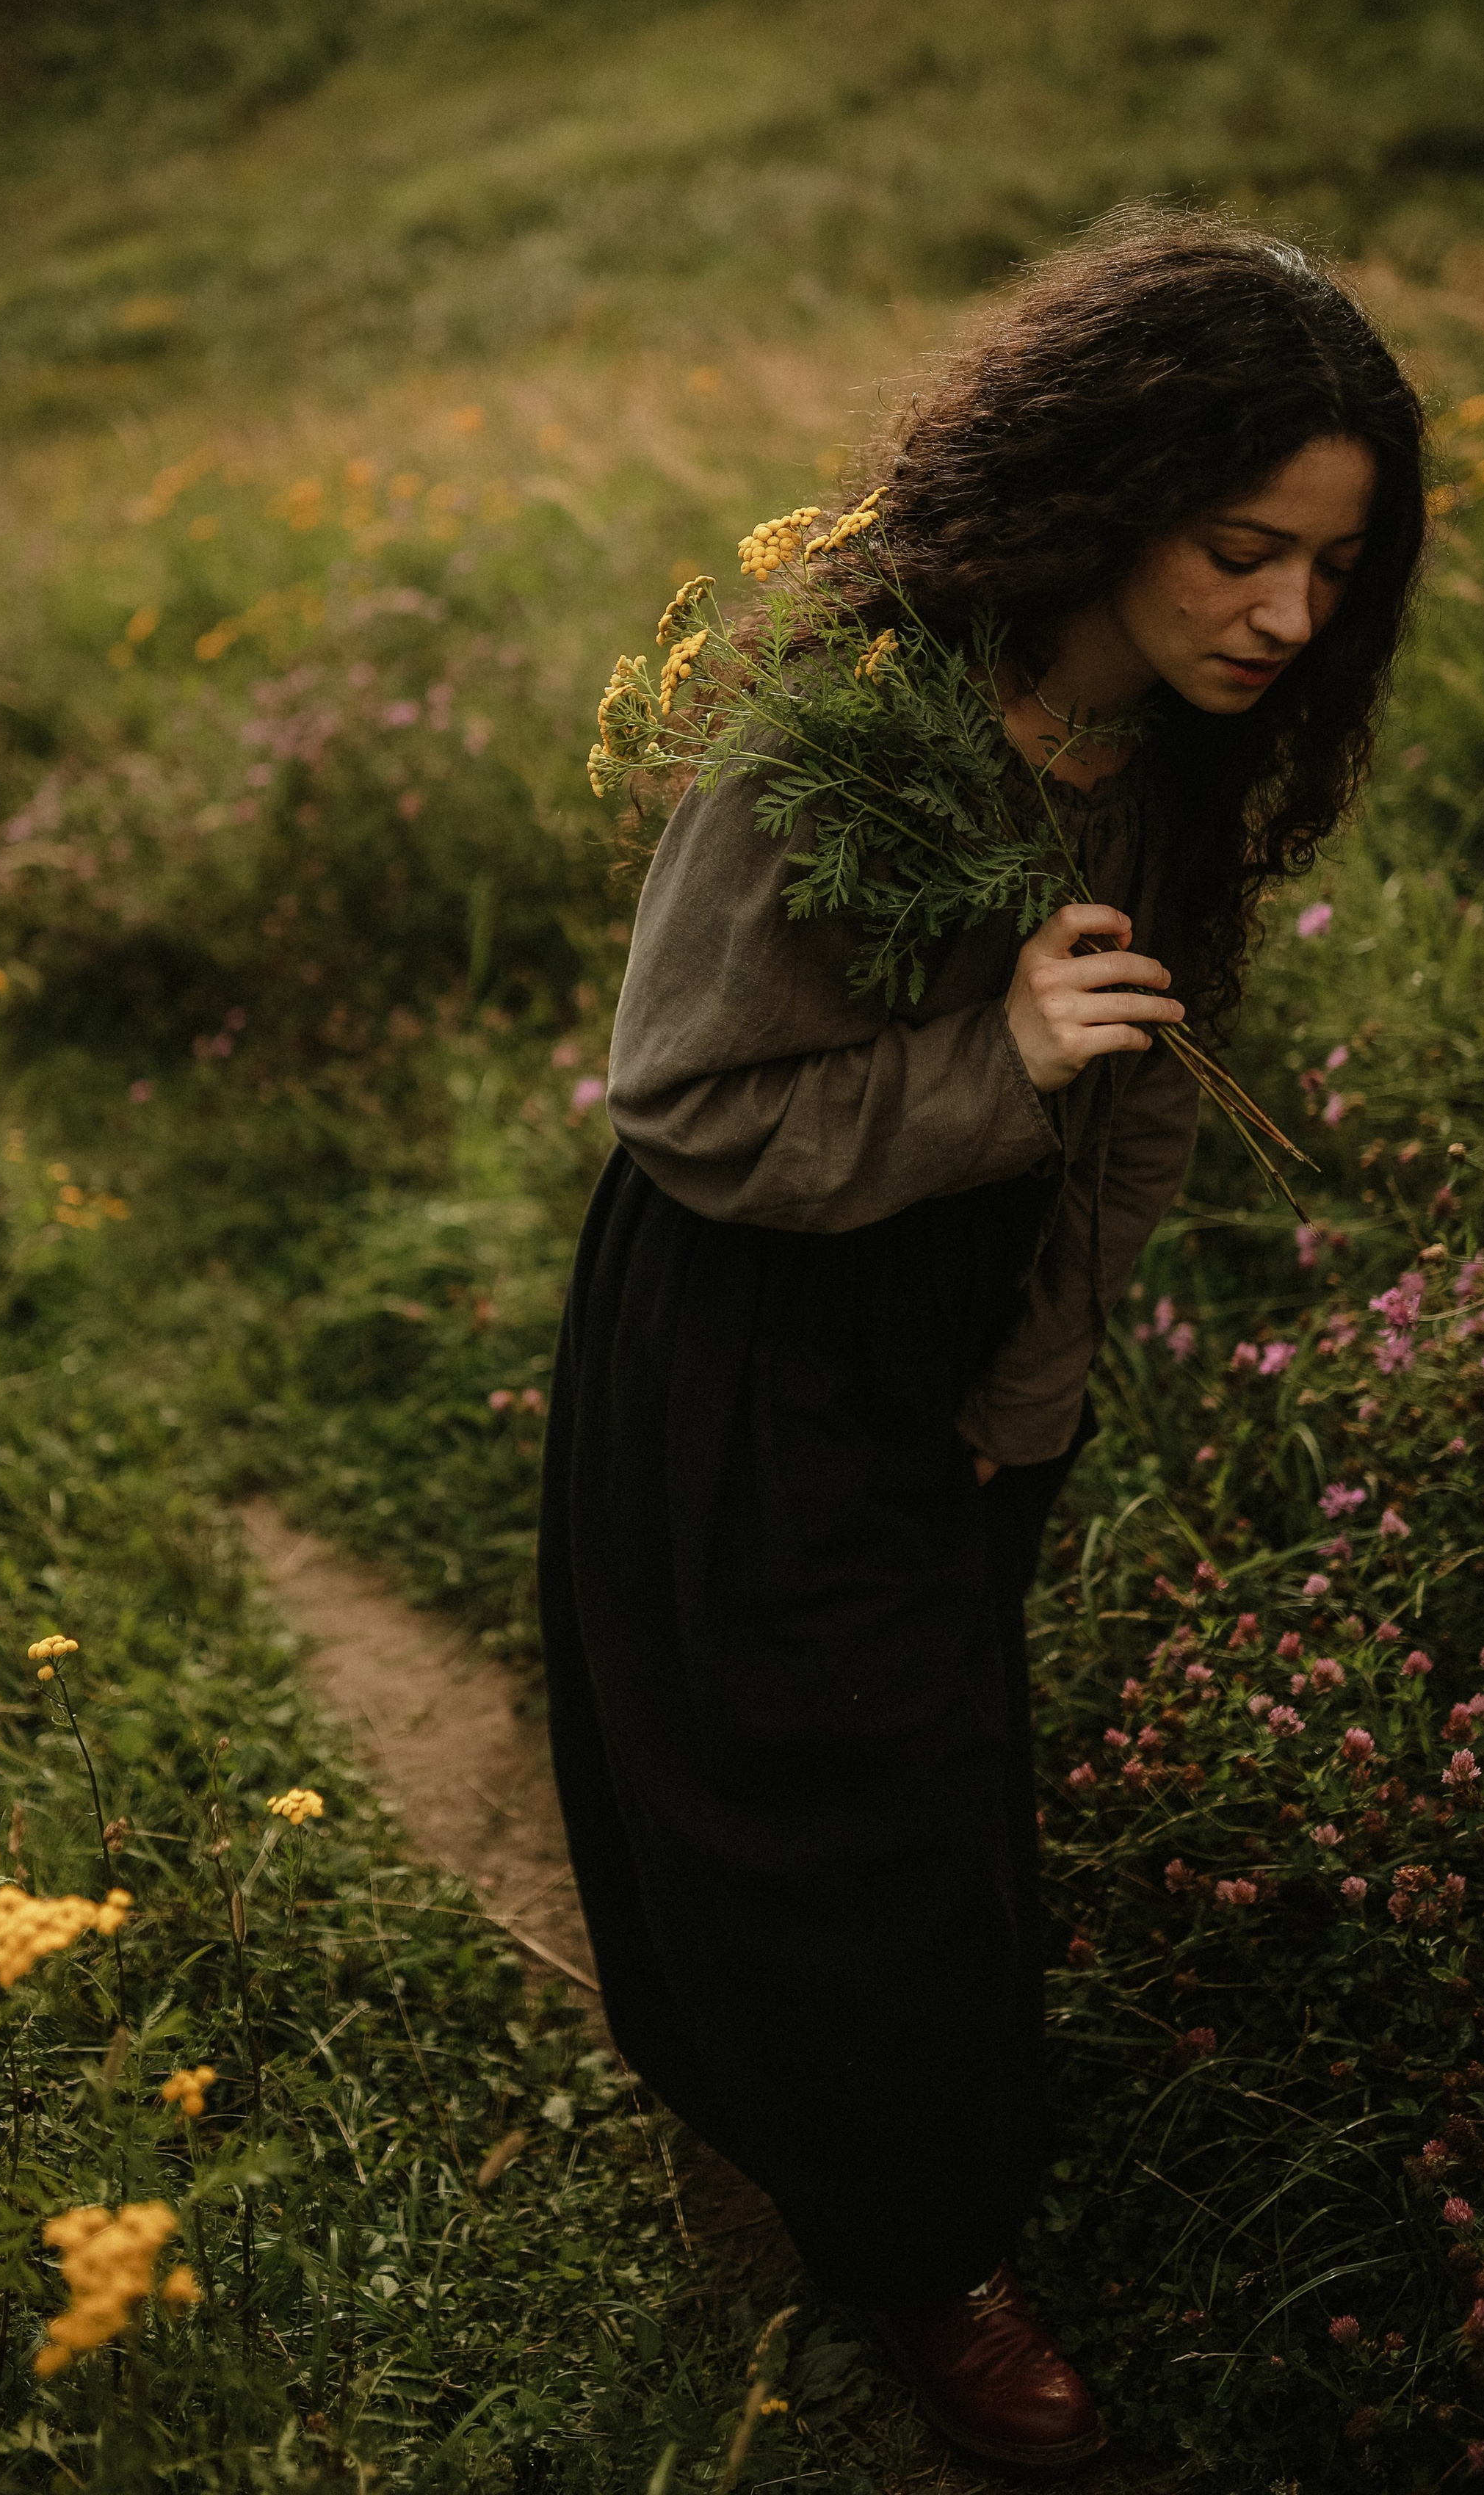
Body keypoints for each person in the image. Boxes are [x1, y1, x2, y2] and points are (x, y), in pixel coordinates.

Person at [537, 214, 1426, 2472]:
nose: (1289, 619)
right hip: (743, 1326)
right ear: (1110, 493)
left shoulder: (1175, 767)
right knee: (793, 1807)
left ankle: (861, 2156)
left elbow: (1135, 1111)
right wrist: (992, 1071)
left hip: (955, 1348)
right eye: (1243, 551)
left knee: (921, 1795)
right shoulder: (848, 738)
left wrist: (1031, 1392)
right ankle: (921, 2256)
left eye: (1329, 571)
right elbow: (686, 1106)